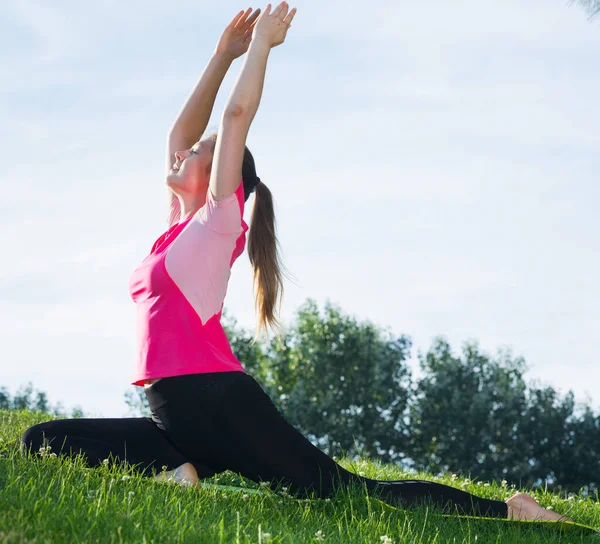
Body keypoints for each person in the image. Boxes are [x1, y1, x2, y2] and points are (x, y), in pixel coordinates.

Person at [20, 3, 572, 523]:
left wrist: (260, 46)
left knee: (348, 494)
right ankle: (179, 471)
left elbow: (236, 116)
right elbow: (178, 135)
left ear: (222, 180)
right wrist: (221, 55)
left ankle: (508, 509)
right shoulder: (173, 230)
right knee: (38, 442)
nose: (182, 155)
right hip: (173, 411)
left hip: (216, 402)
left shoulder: (217, 224)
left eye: (198, 155)